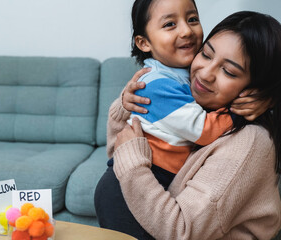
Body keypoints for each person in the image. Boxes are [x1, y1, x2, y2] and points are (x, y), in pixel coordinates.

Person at [94, 10, 281, 240]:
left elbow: (183, 232)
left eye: (228, 71)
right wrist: (126, 105)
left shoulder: (248, 141)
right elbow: (117, 151)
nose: (206, 73)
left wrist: (132, 165)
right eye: (206, 54)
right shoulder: (195, 100)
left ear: (256, 88)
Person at [122, 0, 233, 190]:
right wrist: (237, 110)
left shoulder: (189, 72)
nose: (186, 31)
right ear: (144, 42)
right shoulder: (157, 84)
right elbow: (203, 130)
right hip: (135, 181)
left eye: (192, 19)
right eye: (169, 24)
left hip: (161, 176)